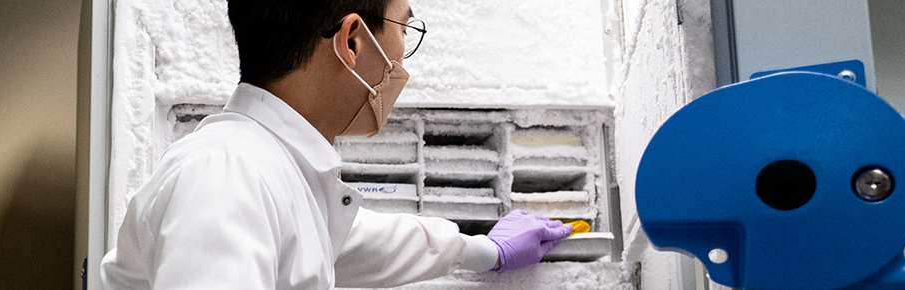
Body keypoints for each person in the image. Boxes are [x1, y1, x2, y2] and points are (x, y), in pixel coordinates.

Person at [99, 0, 573, 289]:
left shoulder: (273, 173)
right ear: (351, 41)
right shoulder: (226, 176)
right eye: (403, 32)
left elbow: (359, 242)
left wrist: (487, 251)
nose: (401, 58)